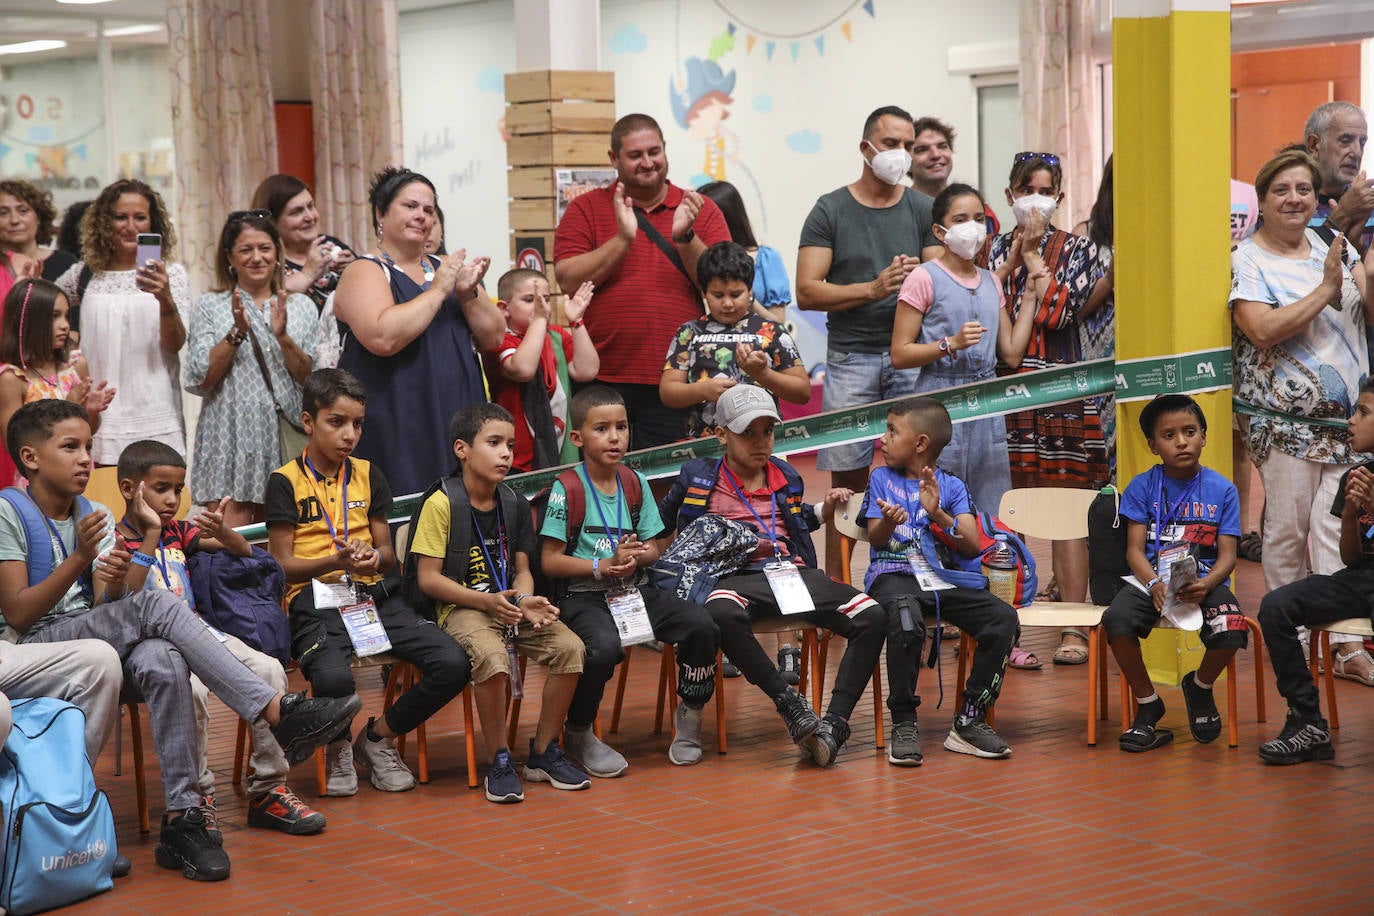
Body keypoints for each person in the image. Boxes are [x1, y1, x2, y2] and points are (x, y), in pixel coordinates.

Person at [0, 398, 359, 882]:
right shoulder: (8, 510)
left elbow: (113, 606)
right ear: (30, 457)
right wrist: (80, 559)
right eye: (71, 447)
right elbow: (19, 613)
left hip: (96, 636)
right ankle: (277, 712)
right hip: (35, 646)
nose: (87, 457)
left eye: (88, 445)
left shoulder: (94, 512)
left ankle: (182, 821)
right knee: (157, 606)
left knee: (163, 656)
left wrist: (128, 557)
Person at [266, 369, 472, 795]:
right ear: (308, 423)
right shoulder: (285, 481)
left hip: (372, 595)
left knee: (452, 663)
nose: (349, 435)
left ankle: (376, 738)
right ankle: (338, 743)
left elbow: (390, 553)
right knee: (336, 679)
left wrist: (372, 557)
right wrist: (333, 560)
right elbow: (281, 565)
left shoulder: (367, 473)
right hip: (313, 600)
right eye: (336, 422)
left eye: (357, 424)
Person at [659, 384, 886, 767]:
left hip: (789, 572)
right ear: (721, 434)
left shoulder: (784, 475)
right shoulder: (697, 475)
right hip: (731, 575)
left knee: (873, 615)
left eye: (767, 431)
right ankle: (789, 703)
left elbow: (797, 522)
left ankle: (833, 726)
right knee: (718, 613)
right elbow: (659, 523)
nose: (760, 442)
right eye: (747, 432)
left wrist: (824, 511)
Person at [113, 439, 325, 836]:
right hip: (155, 648)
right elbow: (124, 598)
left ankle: (268, 789)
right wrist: (149, 536)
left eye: (178, 489)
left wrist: (225, 533)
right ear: (129, 489)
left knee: (268, 669)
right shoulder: (115, 540)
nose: (172, 499)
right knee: (188, 692)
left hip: (203, 634)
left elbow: (244, 552)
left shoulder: (179, 531)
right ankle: (198, 796)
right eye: (161, 489)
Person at [1231, 148, 1374, 686]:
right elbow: (1261, 330)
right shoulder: (1247, 258)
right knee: (1287, 535)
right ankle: (1288, 642)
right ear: (1262, 202)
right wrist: (1324, 292)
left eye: (1303, 190)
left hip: (1348, 428)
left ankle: (1345, 644)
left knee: (1339, 530)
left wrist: (1363, 257)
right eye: (1281, 190)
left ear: (1318, 200)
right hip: (1284, 428)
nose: (1294, 199)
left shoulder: (1330, 246)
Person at [412, 404, 590, 804]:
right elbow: (428, 579)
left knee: (570, 649)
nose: (506, 453)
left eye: (510, 444)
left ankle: (543, 752)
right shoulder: (442, 503)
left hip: (506, 603)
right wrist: (486, 602)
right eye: (493, 443)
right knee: (491, 658)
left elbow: (522, 568)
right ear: (462, 449)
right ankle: (500, 758)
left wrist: (525, 598)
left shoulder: (512, 502)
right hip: (461, 606)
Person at [539, 386, 720, 773]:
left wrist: (637, 556)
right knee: (602, 647)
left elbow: (654, 548)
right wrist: (601, 565)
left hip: (633, 589)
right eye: (602, 429)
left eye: (621, 427)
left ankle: (690, 712)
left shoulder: (634, 483)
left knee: (701, 624)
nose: (615, 437)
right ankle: (579, 731)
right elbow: (551, 561)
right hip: (582, 595)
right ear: (577, 438)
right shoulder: (566, 488)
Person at [795, 105, 942, 573]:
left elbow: (943, 278)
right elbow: (807, 289)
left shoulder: (922, 208)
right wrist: (872, 289)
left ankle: (914, 575)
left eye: (908, 145)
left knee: (916, 473)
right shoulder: (830, 209)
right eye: (892, 144)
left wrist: (923, 276)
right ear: (866, 148)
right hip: (850, 358)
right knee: (849, 481)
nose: (901, 154)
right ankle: (839, 586)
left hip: (911, 359)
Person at [987, 152, 1110, 666]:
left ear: (1059, 199)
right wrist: (1014, 263)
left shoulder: (1080, 251)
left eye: (1046, 191)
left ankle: (1073, 628)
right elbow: (980, 304)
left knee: (1067, 512)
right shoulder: (991, 248)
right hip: (1001, 394)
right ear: (1011, 193)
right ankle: (1000, 623)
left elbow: (1060, 314)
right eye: (1025, 188)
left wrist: (1036, 262)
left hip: (1061, 391)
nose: (1035, 199)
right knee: (1001, 512)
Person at [553, 113, 731, 450]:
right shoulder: (585, 209)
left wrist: (685, 236)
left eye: (654, 152)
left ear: (665, 150)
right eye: (635, 155)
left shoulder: (699, 208)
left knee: (669, 482)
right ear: (614, 159)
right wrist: (622, 239)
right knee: (602, 481)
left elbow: (722, 288)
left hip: (677, 378)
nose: (647, 162)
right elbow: (567, 280)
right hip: (600, 378)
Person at [860, 397, 1017, 764]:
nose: (882, 438)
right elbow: (876, 539)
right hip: (893, 575)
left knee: (1003, 619)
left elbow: (972, 543)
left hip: (941, 579)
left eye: (892, 430)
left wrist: (938, 514)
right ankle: (903, 719)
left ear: (920, 444)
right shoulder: (880, 478)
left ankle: (970, 720)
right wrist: (888, 521)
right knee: (904, 621)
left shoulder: (952, 486)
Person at [331, 167, 504, 496]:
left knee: (466, 517)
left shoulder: (446, 267)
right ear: (381, 214)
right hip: (400, 419)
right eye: (410, 206)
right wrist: (438, 292)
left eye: (429, 209)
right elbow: (383, 337)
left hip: (459, 413)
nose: (422, 216)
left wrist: (468, 294)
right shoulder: (364, 270)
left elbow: (494, 337)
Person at [1102, 395, 1245, 752]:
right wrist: (1153, 584)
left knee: (1232, 628)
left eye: (1189, 431)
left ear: (1204, 436)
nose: (1181, 441)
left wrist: (1208, 583)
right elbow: (1134, 550)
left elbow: (1229, 555)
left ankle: (1200, 685)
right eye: (1169, 435)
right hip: (1152, 580)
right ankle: (1149, 704)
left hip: (1204, 581)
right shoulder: (1142, 486)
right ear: (1153, 445)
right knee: (1115, 620)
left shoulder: (1222, 489)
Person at [891, 184, 1035, 515]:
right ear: (940, 231)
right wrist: (949, 344)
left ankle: (992, 564)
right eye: (961, 219)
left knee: (991, 505)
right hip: (937, 401)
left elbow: (1011, 353)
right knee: (937, 501)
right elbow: (900, 354)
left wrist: (1029, 296)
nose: (972, 227)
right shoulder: (923, 278)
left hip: (985, 402)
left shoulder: (991, 281)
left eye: (978, 218)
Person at [1256, 380, 1374, 763]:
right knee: (1276, 606)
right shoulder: (1356, 474)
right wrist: (1354, 513)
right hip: (1362, 578)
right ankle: (1307, 721)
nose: (1351, 421)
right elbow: (1352, 559)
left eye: (1364, 413)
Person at [185, 211, 318, 529]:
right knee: (231, 539)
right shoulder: (211, 306)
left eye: (265, 248)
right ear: (229, 257)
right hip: (228, 434)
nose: (257, 257)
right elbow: (201, 379)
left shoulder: (301, 306)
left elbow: (309, 380)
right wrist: (237, 331)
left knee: (290, 536)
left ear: (277, 253)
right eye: (246, 250)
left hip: (284, 433)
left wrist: (283, 337)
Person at [54, 179, 190, 466]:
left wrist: (164, 298)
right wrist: (70, 341)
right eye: (120, 217)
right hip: (100, 414)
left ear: (153, 223)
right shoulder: (84, 276)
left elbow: (175, 343)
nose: (131, 226)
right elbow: (44, 313)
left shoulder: (172, 275)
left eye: (140, 217)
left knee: (159, 503)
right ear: (105, 222)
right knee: (104, 503)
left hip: (156, 409)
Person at [661, 241, 809, 439]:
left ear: (750, 292)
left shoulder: (772, 330)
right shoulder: (689, 332)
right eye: (718, 295)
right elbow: (668, 392)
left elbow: (802, 392)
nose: (728, 303)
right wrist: (703, 390)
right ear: (704, 293)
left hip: (762, 444)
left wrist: (764, 374)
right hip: (704, 446)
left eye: (736, 294)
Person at [0, 279, 115, 486]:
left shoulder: (75, 365)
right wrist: (69, 408)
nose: (65, 325)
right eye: (54, 317)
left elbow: (89, 430)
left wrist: (91, 412)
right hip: (40, 485)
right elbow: (15, 443)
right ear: (26, 321)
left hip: (79, 478)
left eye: (66, 316)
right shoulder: (13, 378)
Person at [483, 269, 598, 471]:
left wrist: (577, 321)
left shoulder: (556, 336)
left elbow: (587, 370)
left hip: (561, 452)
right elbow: (523, 369)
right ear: (504, 308)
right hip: (516, 458)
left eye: (545, 299)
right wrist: (539, 320)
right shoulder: (499, 340)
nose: (541, 306)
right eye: (530, 300)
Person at [250, 175, 355, 313]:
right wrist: (308, 274)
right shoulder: (264, 260)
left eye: (311, 206)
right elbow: (263, 305)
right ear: (273, 223)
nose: (310, 217)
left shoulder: (330, 244)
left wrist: (356, 267)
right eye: (296, 212)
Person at [1075, 156, 1117, 487]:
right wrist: (1110, 280)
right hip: (1098, 358)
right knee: (1101, 458)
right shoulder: (1087, 235)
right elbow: (1072, 310)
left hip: (1151, 357)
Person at [697, 181, 790, 322]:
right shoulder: (697, 259)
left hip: (757, 342)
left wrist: (747, 299)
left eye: (704, 217)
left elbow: (779, 325)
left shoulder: (766, 259)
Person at [905, 116, 1000, 237]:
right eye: (922, 149)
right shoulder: (899, 209)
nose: (935, 155)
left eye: (942, 146)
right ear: (906, 161)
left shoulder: (979, 210)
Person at [1303, 102, 1373, 253]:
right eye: (1345, 140)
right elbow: (1291, 271)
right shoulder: (1289, 204)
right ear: (1314, 144)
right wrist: (1343, 215)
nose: (1357, 153)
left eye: (1362, 142)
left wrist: (1359, 250)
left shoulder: (1369, 204)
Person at [0, 179, 79, 283]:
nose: (15, 220)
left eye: (23, 211)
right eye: (3, 213)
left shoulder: (67, 263)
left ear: (39, 216)